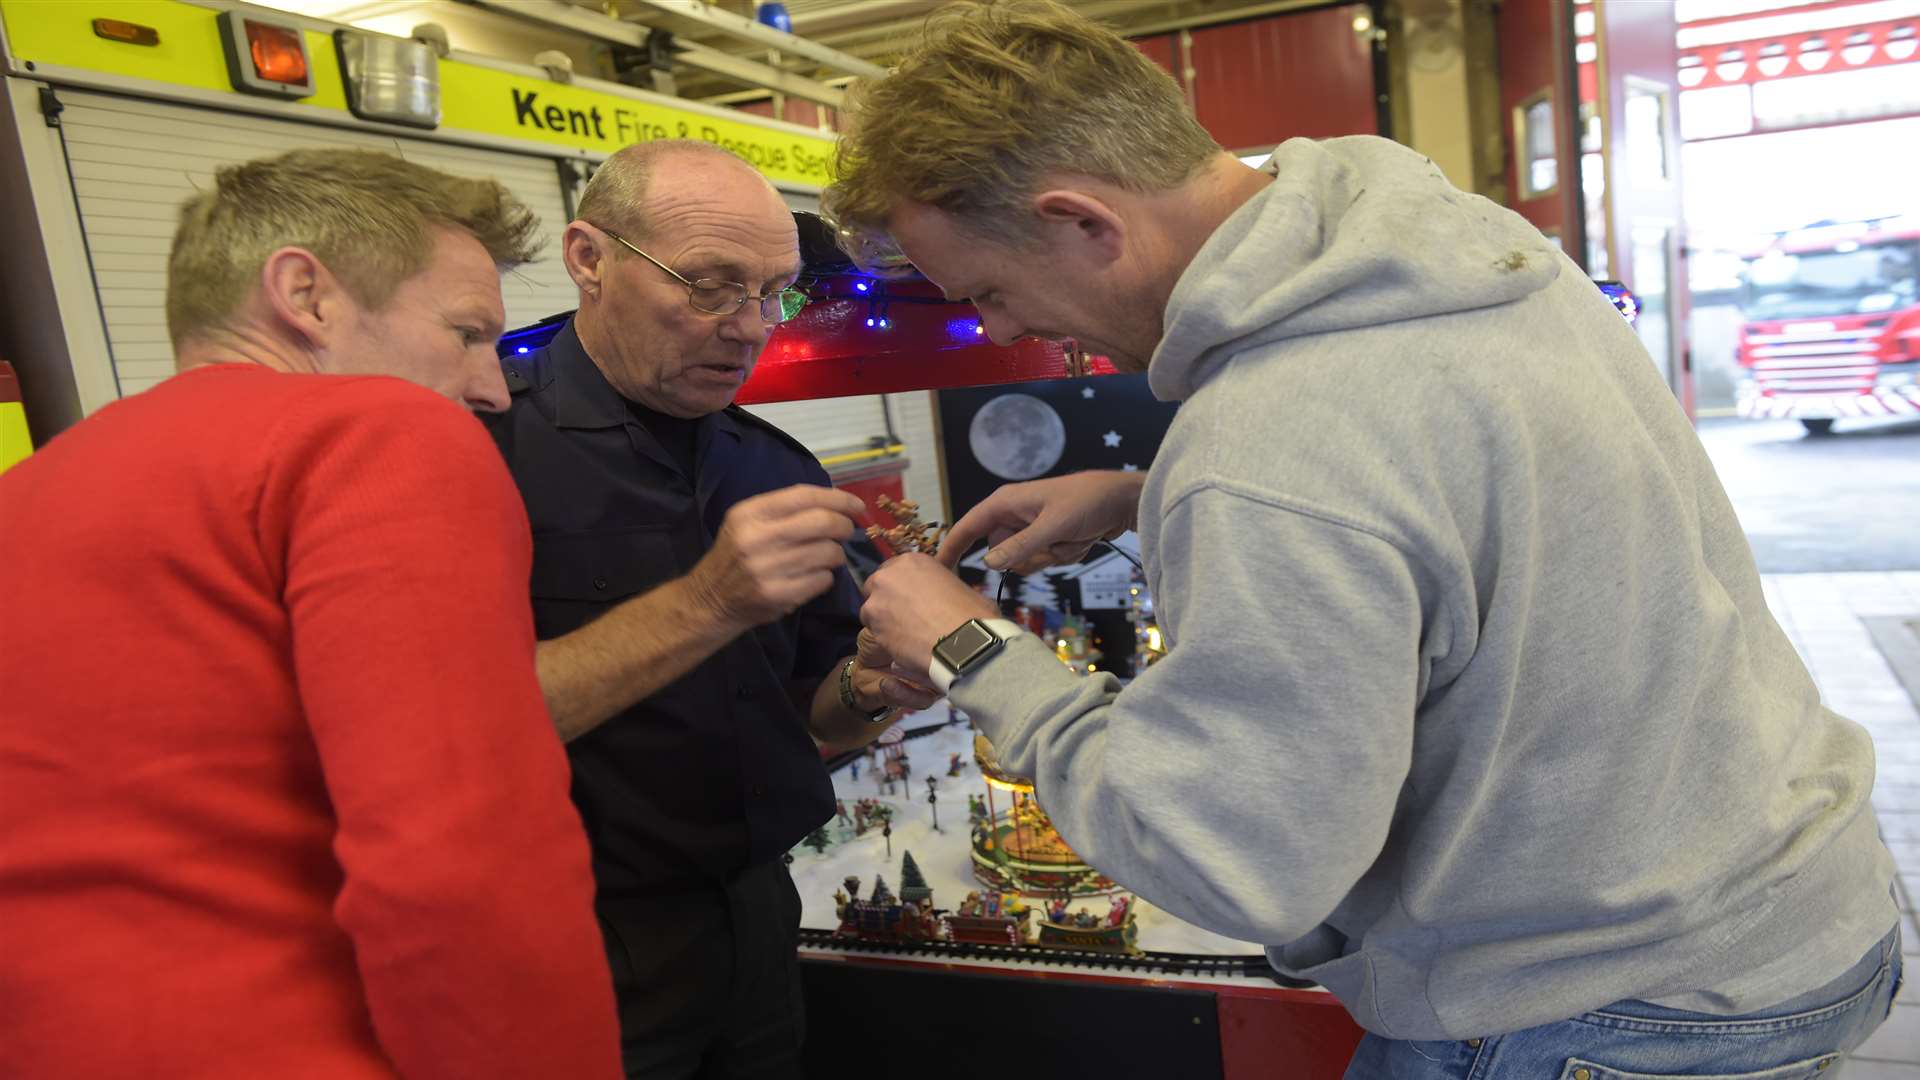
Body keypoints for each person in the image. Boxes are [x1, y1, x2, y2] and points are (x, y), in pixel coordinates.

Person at [831, 3, 1900, 1076]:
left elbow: (1235, 865)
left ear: (1082, 222)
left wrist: (973, 650)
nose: (1003, 330)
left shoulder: (1268, 444)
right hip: (1790, 914)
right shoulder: (1464, 253)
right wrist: (1143, 493)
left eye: (988, 292)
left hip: (1592, 1009)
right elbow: (1447, 485)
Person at [0, 149, 620, 1078]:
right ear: (306, 294)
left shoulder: (31, 493)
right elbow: (461, 863)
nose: (493, 387)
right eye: (466, 333)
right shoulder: (373, 433)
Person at [483, 139, 939, 1079]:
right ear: (589, 258)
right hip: (573, 941)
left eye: (777, 290)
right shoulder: (482, 456)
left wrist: (870, 688)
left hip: (757, 924)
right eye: (709, 285)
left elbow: (813, 704)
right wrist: (707, 602)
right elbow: (447, 737)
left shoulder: (771, 464)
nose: (752, 327)